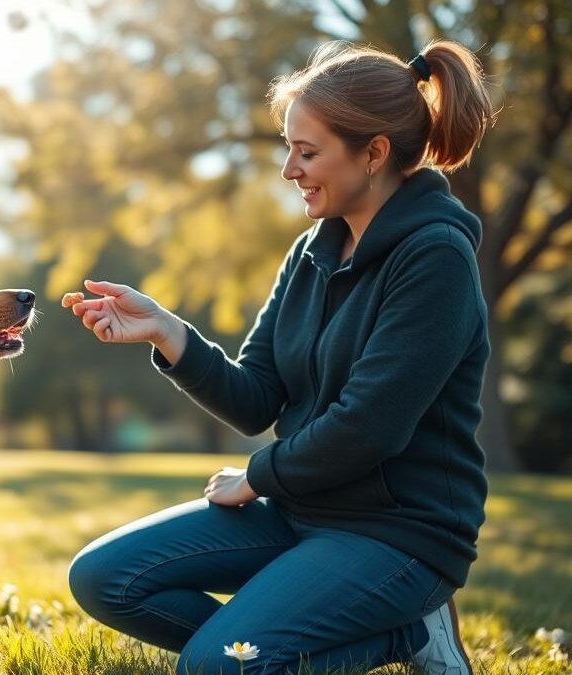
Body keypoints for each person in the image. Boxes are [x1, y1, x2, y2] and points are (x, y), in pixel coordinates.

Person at [64, 39, 495, 675]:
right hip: (301, 513)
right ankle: (276, 649)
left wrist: (257, 478)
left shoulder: (436, 259)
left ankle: (407, 633)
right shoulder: (312, 253)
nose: (289, 170)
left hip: (397, 536)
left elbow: (368, 427)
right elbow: (258, 396)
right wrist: (165, 331)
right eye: (288, 149)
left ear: (373, 153)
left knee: (217, 665)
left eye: (308, 152)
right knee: (103, 578)